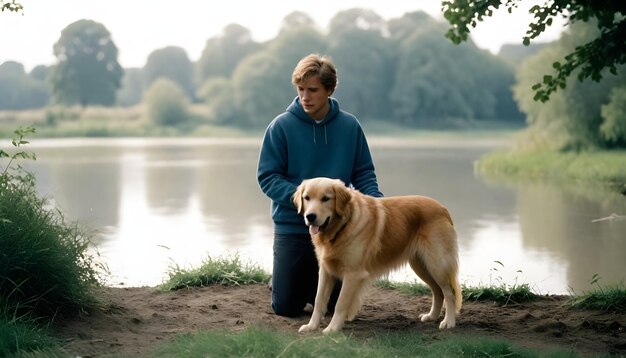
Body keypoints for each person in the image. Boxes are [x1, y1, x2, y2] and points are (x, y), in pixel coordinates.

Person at [256, 53, 383, 317]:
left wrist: (377, 205)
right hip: (292, 227)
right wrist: (304, 202)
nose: (305, 97)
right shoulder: (280, 126)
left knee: (337, 308)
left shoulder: (350, 126)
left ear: (329, 89)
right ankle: (287, 282)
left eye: (312, 90)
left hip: (339, 229)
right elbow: (267, 177)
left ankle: (310, 284)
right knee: (286, 307)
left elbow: (364, 173)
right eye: (301, 89)